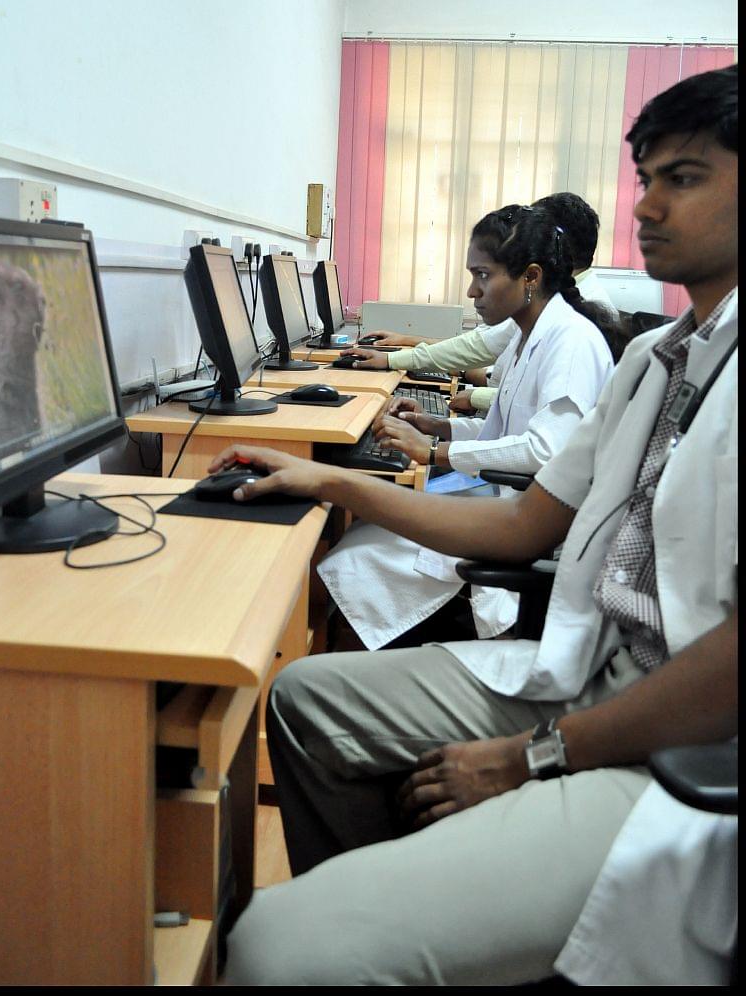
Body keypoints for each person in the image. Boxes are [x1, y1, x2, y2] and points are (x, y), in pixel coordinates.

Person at [210, 64, 737, 986]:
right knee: (305, 704)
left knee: (274, 945)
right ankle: (409, 936)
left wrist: (531, 759)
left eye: (682, 178)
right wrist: (329, 483)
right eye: (645, 178)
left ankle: (364, 940)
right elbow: (529, 524)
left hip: (685, 747)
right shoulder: (658, 358)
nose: (647, 205)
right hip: (593, 672)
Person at [317, 203, 615, 648]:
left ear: (530, 278)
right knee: (364, 530)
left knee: (356, 553)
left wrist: (434, 452)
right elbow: (503, 434)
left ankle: (322, 663)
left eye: (483, 275)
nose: (473, 291)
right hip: (502, 504)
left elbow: (544, 452)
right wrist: (437, 426)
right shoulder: (529, 334)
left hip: (525, 528)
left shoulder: (570, 342)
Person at [352, 191, 622, 417]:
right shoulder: (548, 306)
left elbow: (538, 441)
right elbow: (483, 346)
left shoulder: (571, 324)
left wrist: (439, 446)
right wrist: (439, 427)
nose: (472, 292)